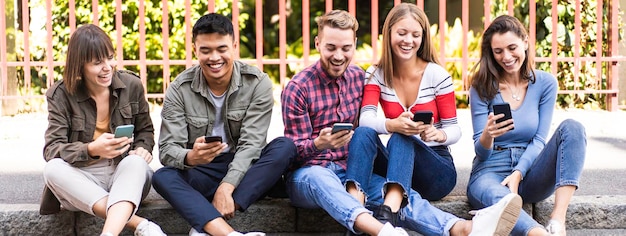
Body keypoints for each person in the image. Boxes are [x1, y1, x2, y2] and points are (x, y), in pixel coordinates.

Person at [282, 8, 522, 236]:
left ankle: (458, 227)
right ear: (317, 44)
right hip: (313, 172)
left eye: (345, 48)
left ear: (354, 45)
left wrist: (437, 135)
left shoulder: (358, 77)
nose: (338, 55)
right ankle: (386, 227)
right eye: (330, 47)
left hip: (377, 170)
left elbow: (452, 129)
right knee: (337, 168)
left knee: (395, 176)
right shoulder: (300, 88)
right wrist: (319, 144)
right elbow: (291, 154)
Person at [151, 13, 295, 236]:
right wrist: (191, 157)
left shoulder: (257, 82)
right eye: (205, 50)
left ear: (234, 46)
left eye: (221, 48)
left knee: (284, 147)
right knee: (162, 176)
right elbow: (168, 150)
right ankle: (228, 233)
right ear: (195, 50)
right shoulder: (180, 88)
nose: (214, 57)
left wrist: (226, 187)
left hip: (244, 167)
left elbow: (252, 145)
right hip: (202, 169)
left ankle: (207, 220)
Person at [466, 15, 587, 236]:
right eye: (498, 51)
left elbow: (539, 140)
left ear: (525, 42)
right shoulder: (481, 87)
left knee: (573, 128)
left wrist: (519, 172)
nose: (506, 57)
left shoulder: (545, 83)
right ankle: (537, 233)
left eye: (512, 48)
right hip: (490, 171)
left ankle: (558, 221)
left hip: (532, 170)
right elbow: (480, 153)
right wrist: (487, 135)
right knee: (499, 199)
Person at [40, 24, 165, 236]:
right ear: (80, 66)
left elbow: (145, 131)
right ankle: (139, 224)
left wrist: (143, 148)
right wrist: (91, 150)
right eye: (98, 63)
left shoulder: (131, 85)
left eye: (110, 58)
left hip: (124, 176)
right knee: (52, 169)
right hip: (83, 180)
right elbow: (52, 149)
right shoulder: (60, 95)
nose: (107, 67)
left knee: (136, 162)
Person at [346, 3, 461, 226]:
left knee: (402, 137)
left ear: (423, 38)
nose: (408, 40)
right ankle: (355, 210)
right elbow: (366, 119)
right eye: (402, 33)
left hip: (435, 170)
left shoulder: (437, 75)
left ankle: (388, 213)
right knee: (362, 133)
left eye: (415, 35)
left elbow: (455, 129)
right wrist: (392, 124)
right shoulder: (376, 74)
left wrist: (438, 135)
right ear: (388, 33)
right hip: (397, 166)